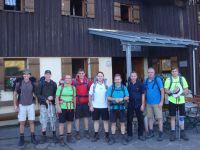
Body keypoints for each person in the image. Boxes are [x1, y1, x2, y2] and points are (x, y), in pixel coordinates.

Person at [13, 69, 38, 146]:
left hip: (30, 105)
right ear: (23, 75)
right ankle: (21, 138)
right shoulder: (19, 83)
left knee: (31, 122)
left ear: (29, 75)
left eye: (27, 74)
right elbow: (14, 95)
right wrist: (15, 105)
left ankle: (33, 137)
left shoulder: (33, 83)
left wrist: (36, 103)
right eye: (24, 74)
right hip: (21, 105)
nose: (26, 76)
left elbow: (36, 94)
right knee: (22, 123)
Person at [164, 67, 189, 141]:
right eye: (173, 71)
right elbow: (166, 90)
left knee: (181, 117)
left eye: (175, 71)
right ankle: (173, 133)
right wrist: (173, 91)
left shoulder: (182, 79)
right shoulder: (168, 79)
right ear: (171, 72)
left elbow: (186, 89)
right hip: (172, 100)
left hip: (181, 100)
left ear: (178, 72)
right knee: (172, 117)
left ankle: (182, 132)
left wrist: (180, 91)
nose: (174, 72)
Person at [107, 74, 129, 145]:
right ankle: (112, 138)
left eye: (118, 79)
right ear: (114, 80)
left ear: (121, 80)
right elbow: (108, 97)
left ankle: (123, 137)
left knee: (122, 123)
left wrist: (122, 98)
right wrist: (114, 99)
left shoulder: (124, 87)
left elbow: (127, 97)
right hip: (113, 108)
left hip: (122, 108)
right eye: (116, 79)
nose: (117, 81)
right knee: (113, 123)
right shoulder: (111, 87)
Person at [89, 72, 110, 143]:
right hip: (95, 106)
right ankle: (96, 135)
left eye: (101, 76)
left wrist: (108, 106)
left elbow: (108, 96)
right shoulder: (93, 85)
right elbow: (90, 95)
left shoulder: (106, 85)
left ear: (103, 77)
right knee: (96, 121)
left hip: (104, 106)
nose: (100, 77)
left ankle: (107, 135)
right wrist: (91, 105)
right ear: (97, 77)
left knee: (106, 121)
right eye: (99, 76)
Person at [37, 70, 57, 143]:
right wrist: (45, 99)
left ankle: (54, 135)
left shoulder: (54, 83)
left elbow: (56, 93)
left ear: (51, 75)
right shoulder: (41, 84)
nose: (48, 75)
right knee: (43, 120)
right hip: (43, 105)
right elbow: (38, 94)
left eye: (49, 74)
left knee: (52, 119)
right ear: (44, 75)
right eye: (46, 74)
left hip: (52, 105)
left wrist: (53, 97)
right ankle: (44, 136)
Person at [144, 67, 164, 141]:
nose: (150, 74)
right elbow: (145, 91)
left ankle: (160, 133)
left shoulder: (157, 80)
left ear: (154, 73)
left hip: (157, 103)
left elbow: (162, 91)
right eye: (149, 72)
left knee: (159, 118)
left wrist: (161, 101)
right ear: (147, 73)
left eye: (151, 72)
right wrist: (144, 102)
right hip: (148, 103)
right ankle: (151, 132)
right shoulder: (146, 81)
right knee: (150, 118)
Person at [72, 68, 92, 140]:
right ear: (77, 74)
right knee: (77, 118)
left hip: (86, 102)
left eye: (82, 73)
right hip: (77, 102)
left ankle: (86, 132)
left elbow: (92, 91)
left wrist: (91, 102)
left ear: (84, 73)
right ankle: (77, 132)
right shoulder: (73, 82)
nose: (81, 75)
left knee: (86, 117)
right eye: (79, 73)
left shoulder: (88, 81)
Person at [56, 75, 76, 145]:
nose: (68, 79)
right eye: (66, 78)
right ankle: (61, 138)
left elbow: (74, 98)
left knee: (69, 122)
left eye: (69, 78)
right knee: (61, 123)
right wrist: (58, 107)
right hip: (62, 107)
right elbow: (57, 98)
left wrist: (75, 107)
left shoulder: (73, 88)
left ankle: (69, 137)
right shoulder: (60, 87)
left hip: (71, 107)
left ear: (71, 80)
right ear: (64, 80)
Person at [127, 71, 145, 141]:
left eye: (134, 76)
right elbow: (127, 94)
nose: (133, 77)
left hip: (139, 104)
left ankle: (140, 135)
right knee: (129, 120)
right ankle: (129, 135)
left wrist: (143, 104)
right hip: (130, 104)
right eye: (132, 76)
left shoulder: (140, 84)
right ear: (130, 77)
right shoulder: (128, 84)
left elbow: (143, 94)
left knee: (140, 120)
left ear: (136, 77)